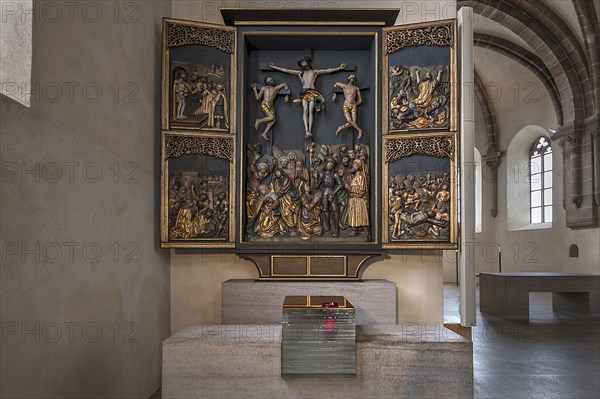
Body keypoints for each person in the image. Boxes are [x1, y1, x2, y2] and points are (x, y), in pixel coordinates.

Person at [270, 56, 346, 138]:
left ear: (308, 63)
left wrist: (339, 68)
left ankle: (310, 130)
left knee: (311, 110)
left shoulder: (314, 71)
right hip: (304, 92)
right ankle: (306, 130)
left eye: (304, 62)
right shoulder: (300, 73)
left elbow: (327, 70)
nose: (303, 64)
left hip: (313, 92)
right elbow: (287, 70)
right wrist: (274, 67)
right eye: (302, 63)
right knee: (305, 110)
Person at [251, 76, 288, 141]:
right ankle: (258, 121)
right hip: (265, 104)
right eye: (269, 80)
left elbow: (285, 84)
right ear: (266, 82)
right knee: (271, 117)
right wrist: (254, 90)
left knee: (273, 120)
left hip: (271, 106)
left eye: (271, 79)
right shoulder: (264, 88)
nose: (270, 80)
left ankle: (264, 133)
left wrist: (286, 96)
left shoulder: (276, 88)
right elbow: (257, 98)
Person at [332, 73, 363, 138]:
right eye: (351, 75)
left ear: (355, 79)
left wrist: (355, 104)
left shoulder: (356, 88)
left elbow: (360, 100)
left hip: (353, 105)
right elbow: (336, 84)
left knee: (353, 122)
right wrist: (334, 95)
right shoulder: (344, 86)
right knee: (349, 120)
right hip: (346, 104)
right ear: (348, 77)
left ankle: (341, 127)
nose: (353, 76)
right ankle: (359, 130)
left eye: (354, 76)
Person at [347, 160, 369, 236]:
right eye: (353, 165)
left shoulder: (360, 176)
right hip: (354, 199)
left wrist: (350, 189)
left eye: (355, 165)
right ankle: (359, 229)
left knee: (356, 214)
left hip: (357, 199)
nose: (353, 166)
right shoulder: (355, 176)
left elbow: (362, 189)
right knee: (356, 214)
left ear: (359, 166)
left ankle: (354, 231)